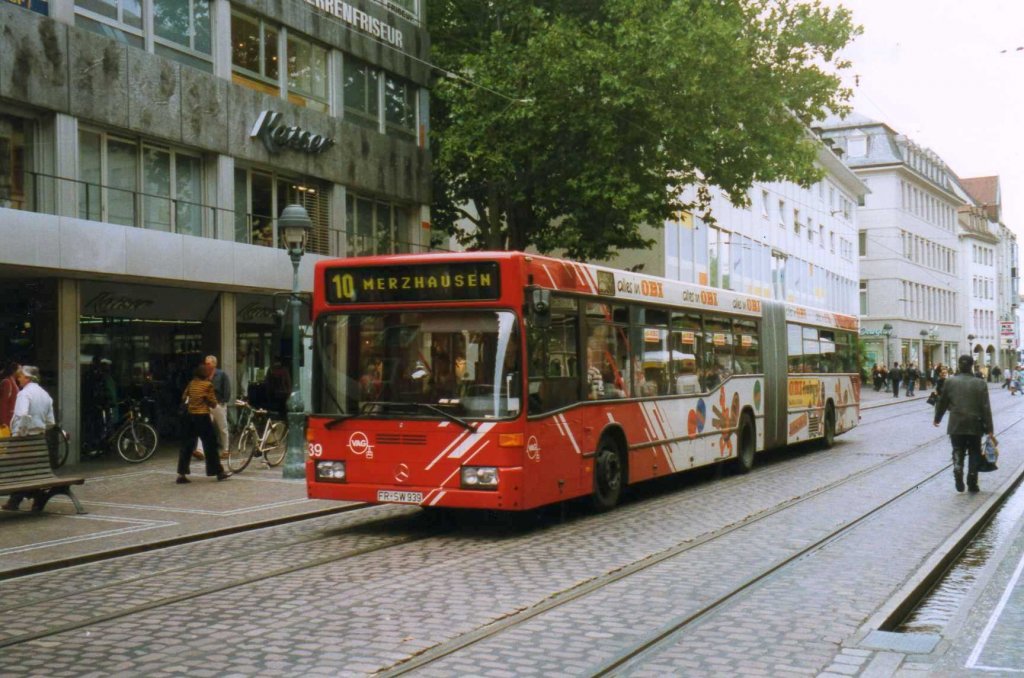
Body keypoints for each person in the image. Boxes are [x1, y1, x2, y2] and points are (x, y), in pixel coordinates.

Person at [934, 354, 994, 493]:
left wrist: (938, 418)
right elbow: (985, 407)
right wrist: (990, 428)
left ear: (959, 366)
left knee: (957, 449)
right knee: (974, 451)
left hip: (956, 423)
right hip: (975, 424)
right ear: (972, 365)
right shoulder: (980, 383)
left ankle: (957, 468)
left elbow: (943, 402)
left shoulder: (949, 382)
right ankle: (972, 481)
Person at [3, 366, 57, 510]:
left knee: (13, 470)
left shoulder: (24, 394)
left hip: (22, 440)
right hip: (39, 440)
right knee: (31, 472)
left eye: (20, 376)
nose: (18, 378)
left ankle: (15, 500)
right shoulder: (45, 395)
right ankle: (31, 498)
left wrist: (20, 433)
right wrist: (39, 428)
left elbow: (22, 415)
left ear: (27, 378)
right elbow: (51, 422)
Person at [178, 365, 229, 484]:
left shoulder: (191, 383)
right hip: (202, 417)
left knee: (187, 445)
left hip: (189, 416)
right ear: (205, 375)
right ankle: (217, 472)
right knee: (211, 445)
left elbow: (184, 397)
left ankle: (182, 474)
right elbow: (212, 402)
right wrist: (209, 403)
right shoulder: (207, 385)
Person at [205, 355, 231, 456]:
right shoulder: (204, 375)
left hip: (218, 403)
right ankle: (200, 450)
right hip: (207, 404)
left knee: (222, 428)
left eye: (208, 363)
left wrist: (223, 401)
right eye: (206, 363)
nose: (206, 365)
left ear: (214, 364)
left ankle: (226, 449)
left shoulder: (221, 374)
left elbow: (227, 388)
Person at [0, 360, 19, 437]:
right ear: (14, 371)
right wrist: (3, 421)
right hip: (7, 421)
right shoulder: (7, 382)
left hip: (12, 420)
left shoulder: (13, 382)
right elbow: (3, 403)